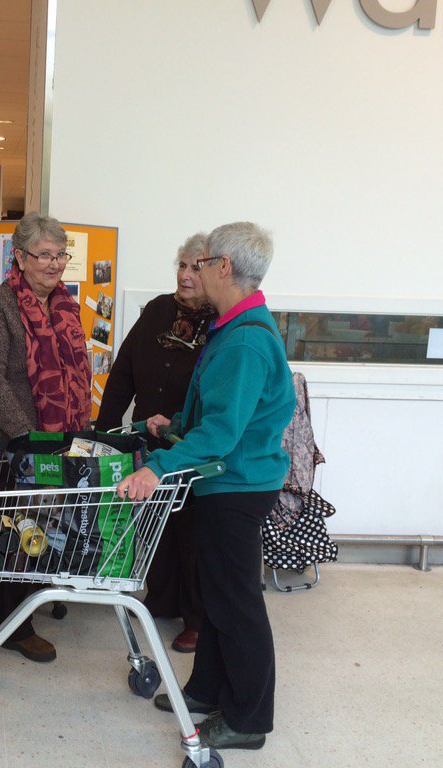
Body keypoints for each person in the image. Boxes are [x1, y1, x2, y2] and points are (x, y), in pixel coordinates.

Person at [116, 222, 294, 751]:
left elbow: (222, 433)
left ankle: (247, 718)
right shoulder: (233, 327)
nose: (193, 271)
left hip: (235, 488)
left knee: (237, 602)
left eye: (202, 262)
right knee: (218, 595)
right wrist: (173, 425)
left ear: (225, 268)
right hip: (227, 481)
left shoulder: (243, 341)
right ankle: (208, 689)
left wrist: (158, 466)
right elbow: (220, 416)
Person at [0, 211, 92, 688]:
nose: (54, 264)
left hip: (45, 444)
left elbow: (76, 379)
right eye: (44, 254)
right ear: (20, 257)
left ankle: (15, 626)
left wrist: (59, 442)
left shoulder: (67, 308)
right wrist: (28, 439)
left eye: (60, 254)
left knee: (31, 536)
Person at [96, 233, 217, 654]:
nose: (185, 275)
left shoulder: (220, 321)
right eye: (181, 266)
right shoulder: (158, 310)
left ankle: (197, 619)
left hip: (191, 442)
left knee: (191, 531)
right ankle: (162, 600)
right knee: (155, 523)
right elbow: (125, 368)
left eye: (195, 267)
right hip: (146, 436)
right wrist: (106, 429)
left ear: (216, 271)